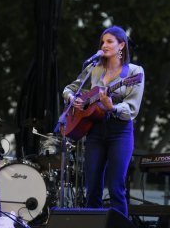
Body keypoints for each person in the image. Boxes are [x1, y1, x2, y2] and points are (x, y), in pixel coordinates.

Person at [62, 26, 145, 217]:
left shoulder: (134, 72)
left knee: (116, 187)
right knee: (92, 188)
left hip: (120, 131)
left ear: (121, 45)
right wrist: (73, 99)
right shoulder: (94, 68)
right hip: (95, 130)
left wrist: (112, 107)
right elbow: (70, 88)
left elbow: (132, 108)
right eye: (102, 42)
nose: (104, 45)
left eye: (109, 41)